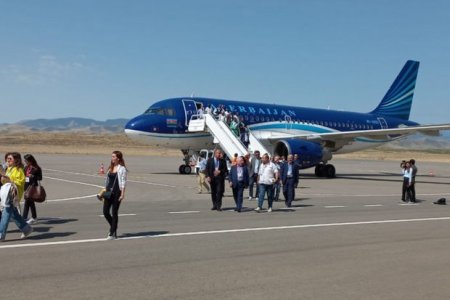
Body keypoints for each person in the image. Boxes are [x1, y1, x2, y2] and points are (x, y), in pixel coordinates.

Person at [0, 152, 33, 241]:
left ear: (16, 160)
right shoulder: (9, 169)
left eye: (10, 158)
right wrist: (3, 178)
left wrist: (7, 179)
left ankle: (1, 233)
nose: (8, 160)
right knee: (13, 213)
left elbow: (19, 182)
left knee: (6, 213)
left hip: (12, 194)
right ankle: (26, 228)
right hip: (7, 193)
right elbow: (5, 182)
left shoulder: (19, 170)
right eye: (7, 158)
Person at [102, 151, 128, 240]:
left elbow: (124, 182)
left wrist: (122, 194)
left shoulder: (122, 169)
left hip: (117, 192)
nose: (112, 158)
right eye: (111, 156)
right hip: (108, 192)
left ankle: (112, 233)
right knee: (105, 212)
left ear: (118, 158)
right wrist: (104, 190)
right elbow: (107, 181)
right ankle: (114, 226)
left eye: (113, 156)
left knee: (114, 212)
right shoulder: (110, 167)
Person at [22, 154, 43, 224]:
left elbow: (40, 178)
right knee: (29, 202)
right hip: (26, 186)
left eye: (26, 160)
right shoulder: (26, 167)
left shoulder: (37, 168)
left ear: (30, 160)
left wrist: (33, 176)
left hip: (32, 187)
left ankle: (25, 217)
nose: (25, 161)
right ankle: (33, 217)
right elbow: (24, 176)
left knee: (28, 202)